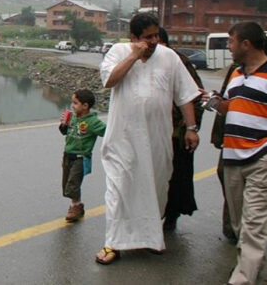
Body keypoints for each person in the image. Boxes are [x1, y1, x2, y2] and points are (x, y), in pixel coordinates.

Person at [201, 22, 267, 284]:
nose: (228, 46)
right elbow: (232, 107)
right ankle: (251, 262)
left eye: (231, 41)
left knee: (254, 223)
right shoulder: (236, 74)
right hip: (233, 159)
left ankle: (244, 277)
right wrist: (213, 102)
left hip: (262, 159)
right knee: (239, 223)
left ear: (246, 43)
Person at [95, 13, 200, 265]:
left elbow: (184, 95)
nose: (154, 41)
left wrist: (191, 127)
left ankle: (150, 237)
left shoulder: (169, 57)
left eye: (156, 35)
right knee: (119, 188)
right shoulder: (118, 52)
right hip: (123, 138)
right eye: (148, 37)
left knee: (156, 187)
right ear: (134, 37)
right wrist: (133, 55)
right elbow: (109, 81)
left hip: (157, 138)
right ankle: (113, 243)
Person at [157, 28, 204, 231]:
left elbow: (195, 97)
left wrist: (190, 128)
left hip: (176, 132)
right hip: (153, 132)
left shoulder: (180, 63)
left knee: (176, 177)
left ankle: (171, 215)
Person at [57, 89, 107, 222]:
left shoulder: (93, 122)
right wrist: (64, 124)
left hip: (81, 157)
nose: (72, 106)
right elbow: (64, 132)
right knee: (66, 185)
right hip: (68, 155)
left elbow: (108, 132)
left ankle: (75, 207)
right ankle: (77, 205)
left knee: (73, 184)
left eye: (75, 103)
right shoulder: (73, 117)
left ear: (85, 106)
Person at [209, 62, 239, 243]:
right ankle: (233, 226)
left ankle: (243, 231)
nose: (228, 46)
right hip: (231, 140)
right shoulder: (236, 70)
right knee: (225, 175)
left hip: (258, 147)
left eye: (231, 41)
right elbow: (225, 104)